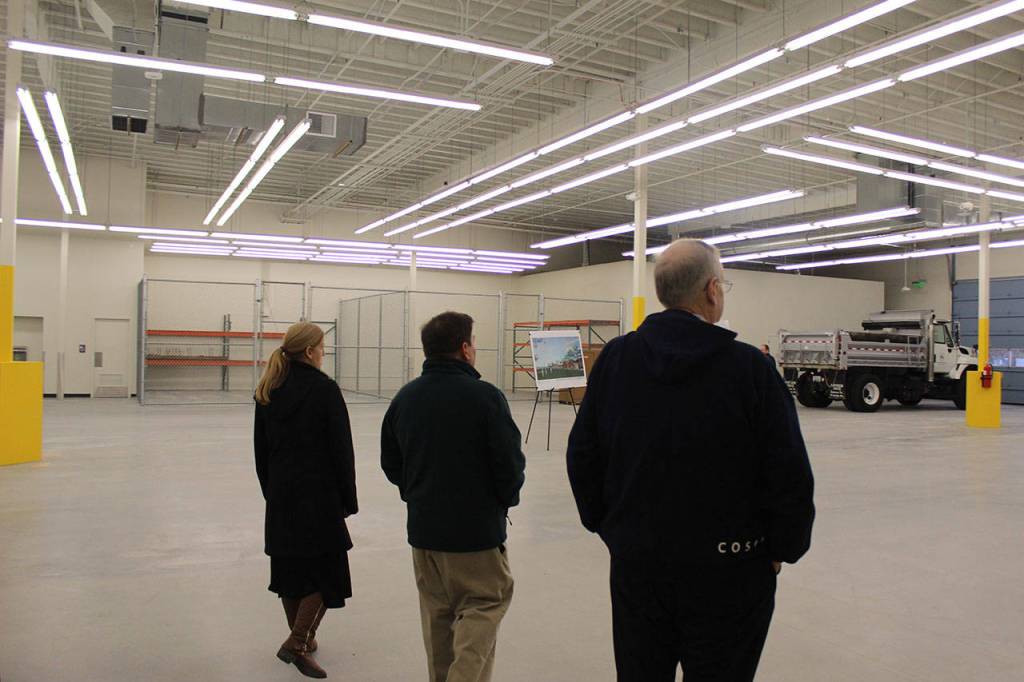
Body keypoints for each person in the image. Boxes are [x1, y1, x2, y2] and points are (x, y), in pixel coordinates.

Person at [566, 239, 815, 682]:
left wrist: (610, 528)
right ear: (712, 290)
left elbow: (583, 455)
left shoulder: (616, 360)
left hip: (639, 568)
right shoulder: (751, 370)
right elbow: (788, 472)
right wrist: (781, 549)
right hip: (732, 571)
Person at [381, 311, 525, 682]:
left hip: (425, 534)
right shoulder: (486, 398)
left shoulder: (406, 398)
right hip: (475, 535)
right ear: (464, 349)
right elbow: (508, 465)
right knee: (483, 605)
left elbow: (390, 461)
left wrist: (417, 493)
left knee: (438, 618)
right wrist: (503, 500)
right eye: (473, 343)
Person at [254, 321, 358, 679]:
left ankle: (305, 639)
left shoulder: (269, 388)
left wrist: (272, 491)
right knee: (326, 568)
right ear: (311, 351)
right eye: (322, 346)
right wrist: (348, 498)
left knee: (289, 567)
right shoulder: (324, 390)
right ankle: (296, 642)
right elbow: (341, 449)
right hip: (320, 493)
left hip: (282, 492)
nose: (323, 351)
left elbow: (260, 451)